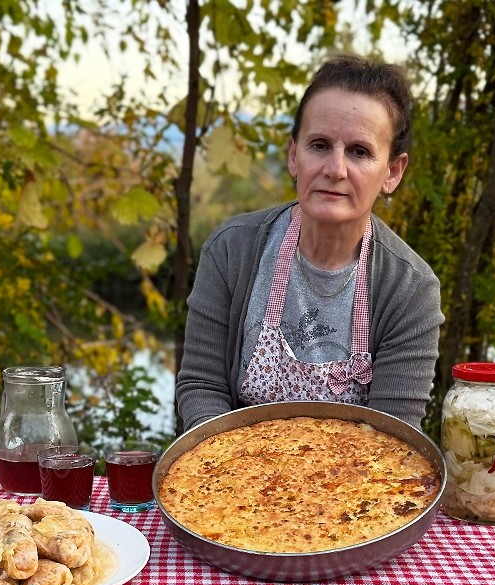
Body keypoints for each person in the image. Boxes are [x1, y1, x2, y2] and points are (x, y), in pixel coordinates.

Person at [176, 53, 444, 432]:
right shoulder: (230, 251)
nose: (335, 169)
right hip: (232, 476)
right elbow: (201, 387)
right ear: (293, 155)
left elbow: (392, 436)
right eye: (319, 145)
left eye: (359, 152)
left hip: (357, 484)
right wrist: (238, 476)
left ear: (392, 172)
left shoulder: (410, 289)